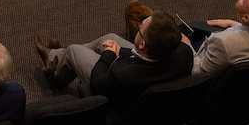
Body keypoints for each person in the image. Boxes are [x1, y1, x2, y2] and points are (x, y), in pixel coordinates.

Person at [34, 11, 193, 110]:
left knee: (73, 50)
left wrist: (109, 55)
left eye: (139, 29)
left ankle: (56, 75)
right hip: (150, 67)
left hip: (118, 96)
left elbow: (97, 83)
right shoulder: (185, 53)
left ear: (142, 44)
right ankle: (56, 56)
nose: (138, 27)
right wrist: (119, 51)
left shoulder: (122, 75)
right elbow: (142, 58)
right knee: (109, 38)